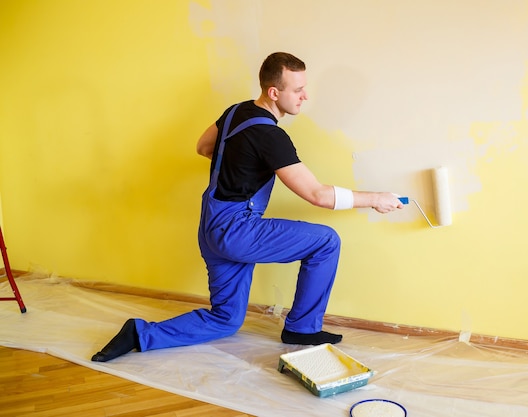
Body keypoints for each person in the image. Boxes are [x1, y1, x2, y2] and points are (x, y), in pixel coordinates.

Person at [91, 52, 403, 362]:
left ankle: (139, 333)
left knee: (226, 318)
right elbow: (317, 195)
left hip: (212, 225)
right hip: (238, 229)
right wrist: (375, 199)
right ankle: (302, 329)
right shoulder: (270, 136)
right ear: (274, 92)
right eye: (298, 90)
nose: (305, 96)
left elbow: (203, 147)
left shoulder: (236, 111)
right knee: (326, 241)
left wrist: (243, 163)